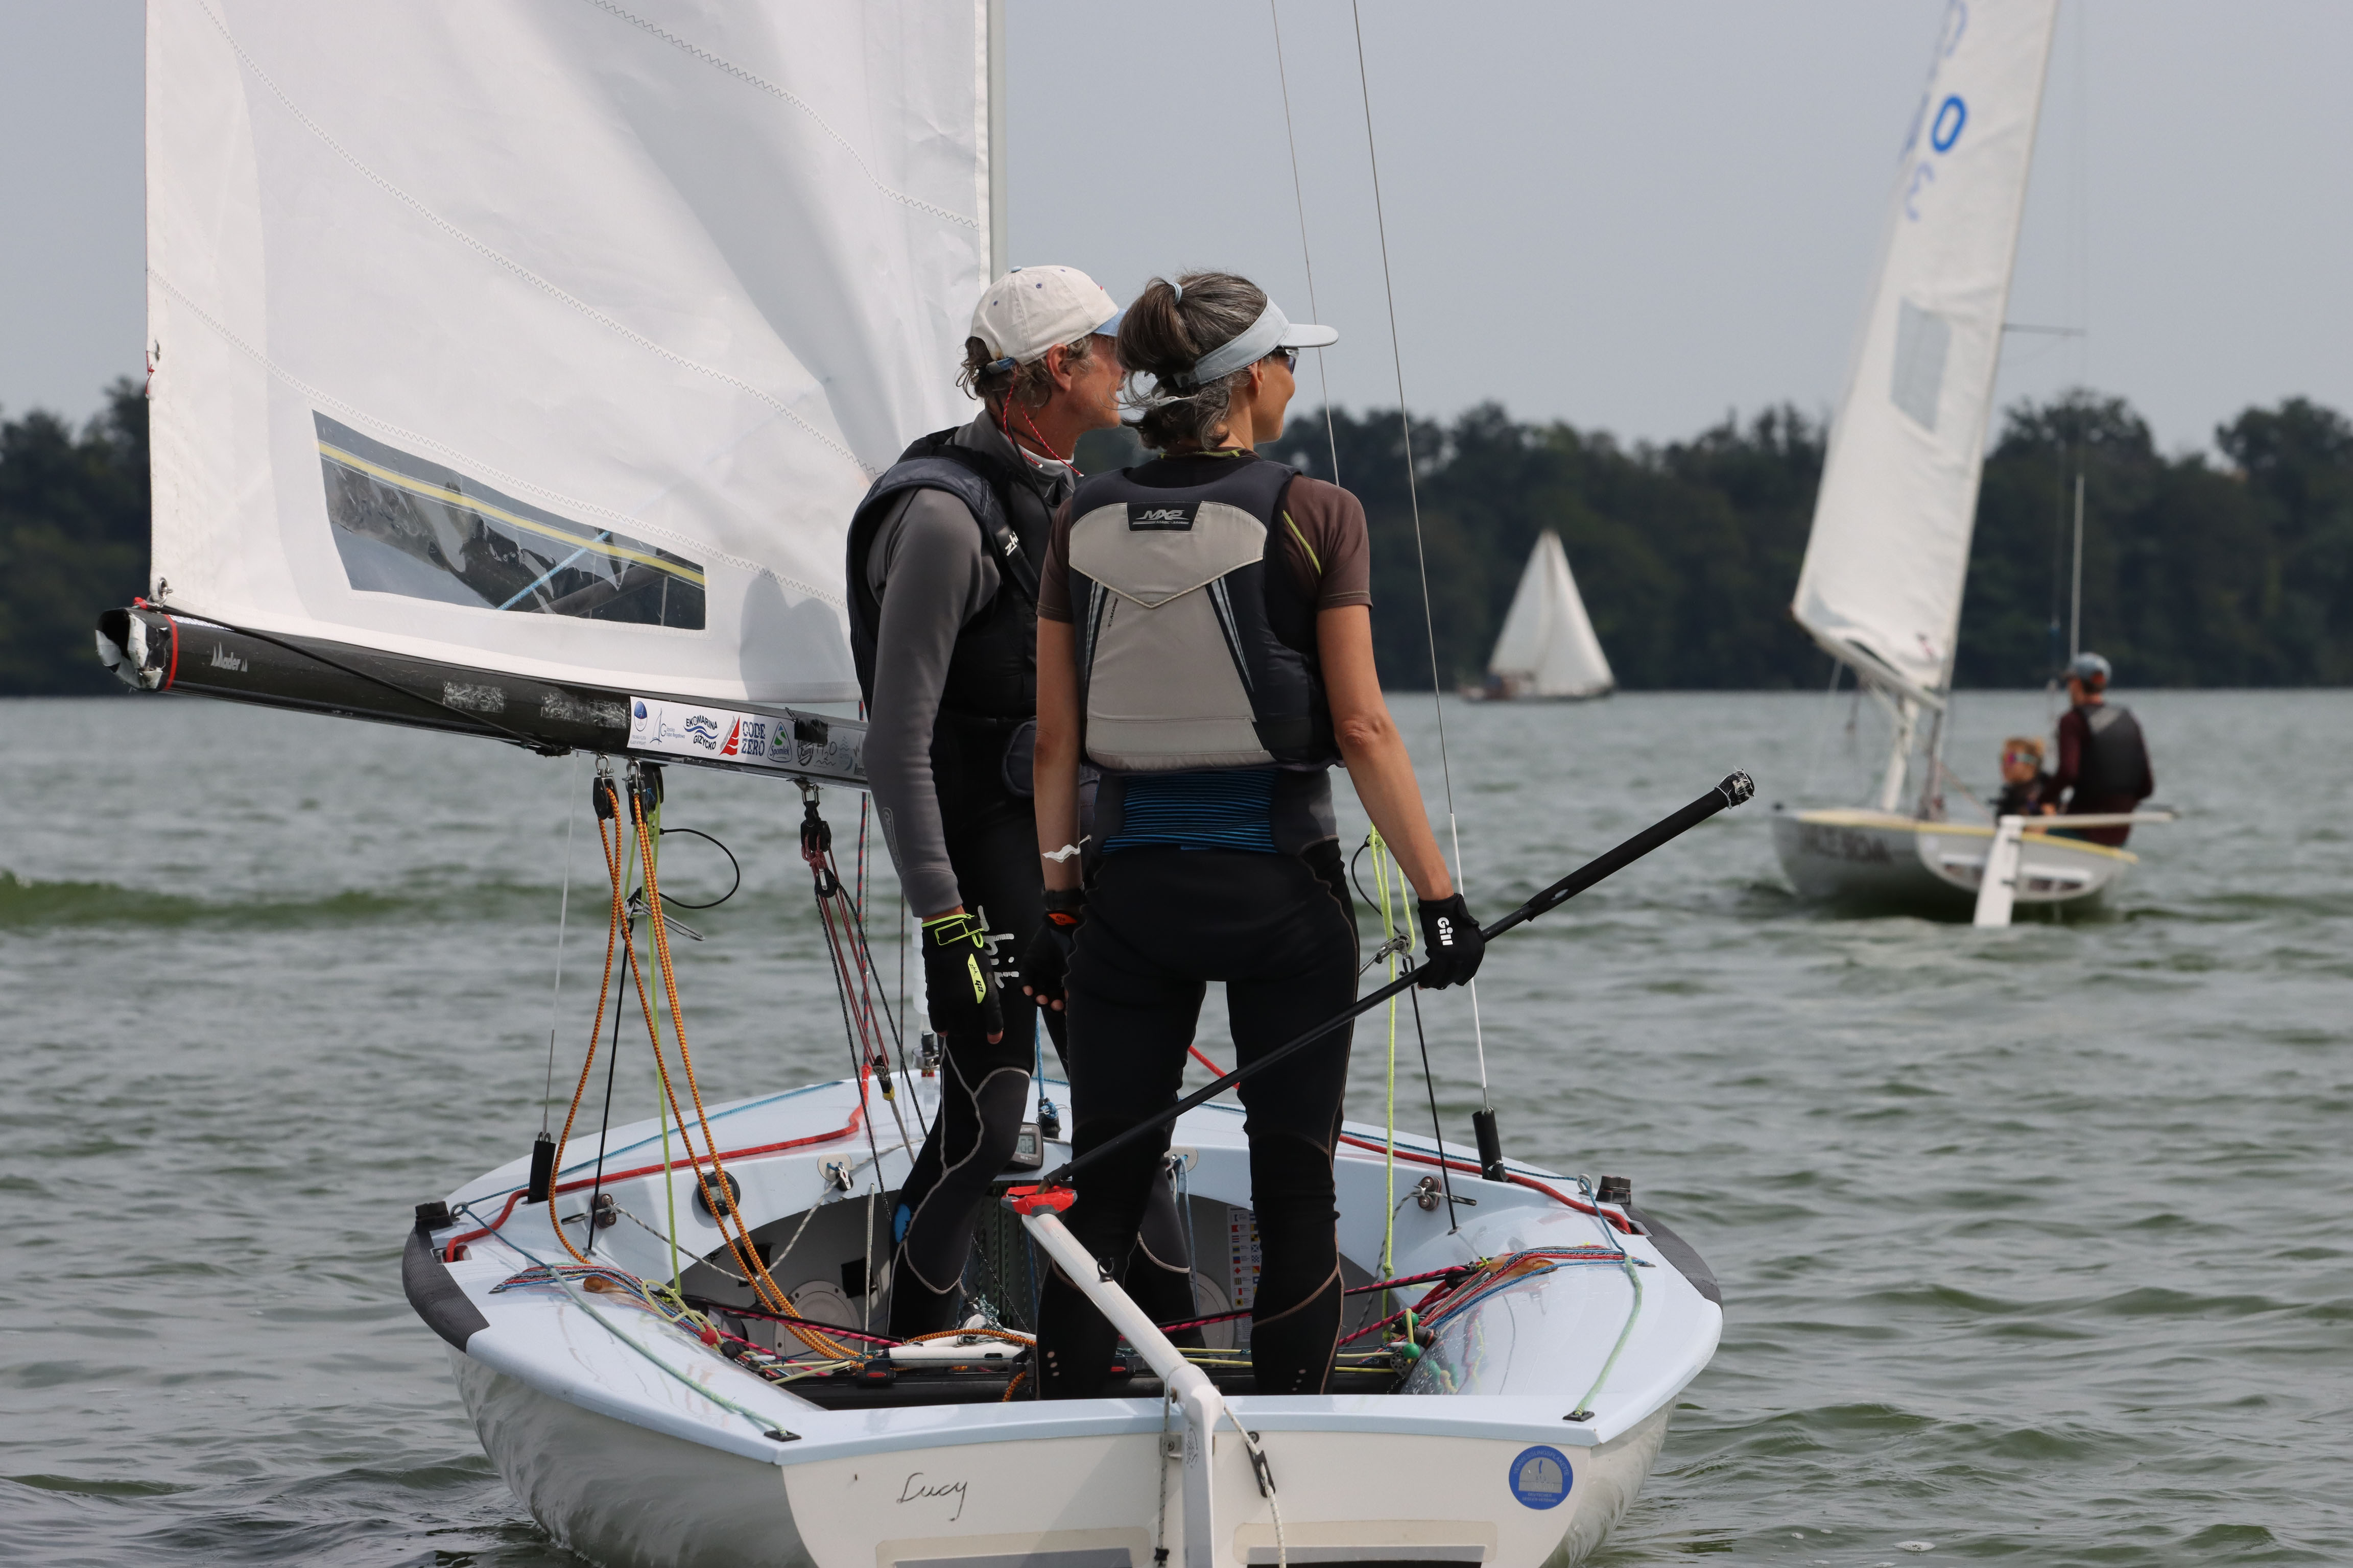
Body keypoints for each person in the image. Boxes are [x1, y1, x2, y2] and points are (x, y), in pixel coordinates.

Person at [1024, 271, 1486, 1400]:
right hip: (1282, 901)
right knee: (1293, 1188)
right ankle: (1285, 1437)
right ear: (1243, 382)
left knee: (1102, 1186)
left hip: (1128, 903)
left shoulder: (1080, 514)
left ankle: (1059, 1424)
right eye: (1287, 360)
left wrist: (1060, 899)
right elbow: (1363, 727)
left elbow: (1055, 745)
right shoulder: (1320, 513)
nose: (1292, 380)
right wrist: (1439, 900)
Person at [844, 265, 1131, 1339]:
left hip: (1068, 867)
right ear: (1059, 365)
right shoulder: (940, 520)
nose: (1125, 363)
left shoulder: (1067, 494)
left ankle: (1150, 1351)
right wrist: (945, 920)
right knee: (987, 1125)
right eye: (1107, 344)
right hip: (980, 881)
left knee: (1128, 1116)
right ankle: (913, 1339)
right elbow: (895, 743)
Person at [2048, 652, 2154, 846]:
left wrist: (2042, 800)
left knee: (2030, 830)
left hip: (2080, 832)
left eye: (2070, 682)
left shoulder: (2072, 720)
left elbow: (2068, 773)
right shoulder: (2129, 719)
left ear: (2076, 684)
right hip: (2119, 836)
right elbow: (2147, 787)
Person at [1992, 735, 2055, 817]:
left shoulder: (2046, 792)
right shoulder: (2010, 795)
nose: (2005, 764)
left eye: (2011, 758)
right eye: (2003, 758)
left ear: (2031, 764)